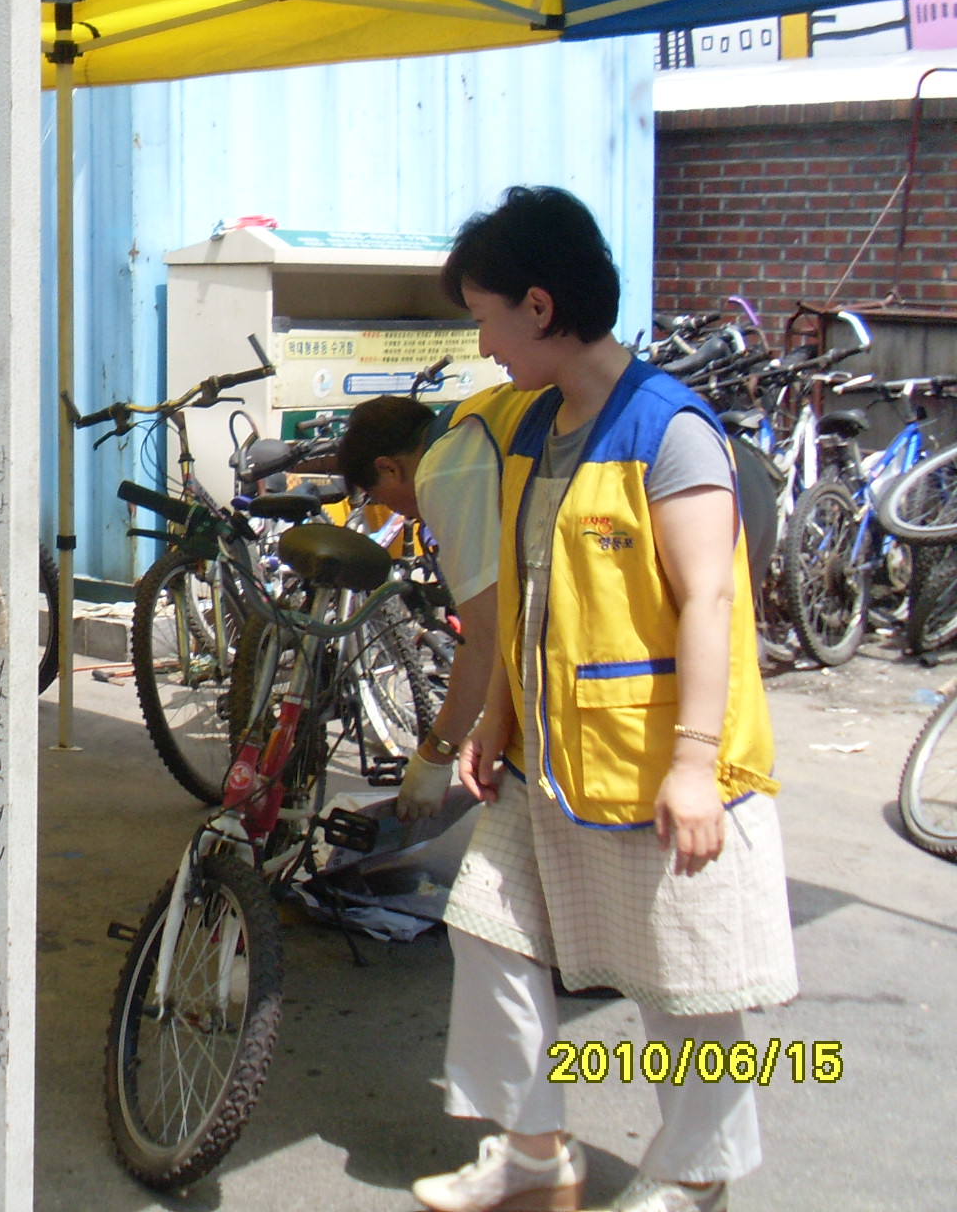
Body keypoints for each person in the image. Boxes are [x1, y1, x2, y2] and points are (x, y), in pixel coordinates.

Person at [407, 187, 796, 1212]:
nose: (480, 340)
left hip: (655, 767)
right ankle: (533, 1150)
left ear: (538, 307)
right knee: (485, 933)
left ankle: (694, 1174)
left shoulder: (668, 430)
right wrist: (494, 716)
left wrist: (691, 765)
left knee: (684, 992)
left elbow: (709, 598)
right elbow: (532, 586)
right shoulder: (534, 424)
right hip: (543, 760)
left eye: (484, 314)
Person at [336, 393, 501, 824]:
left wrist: (434, 754)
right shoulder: (467, 425)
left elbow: (485, 635)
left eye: (387, 500)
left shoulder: (444, 472)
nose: (400, 513)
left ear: (388, 466)